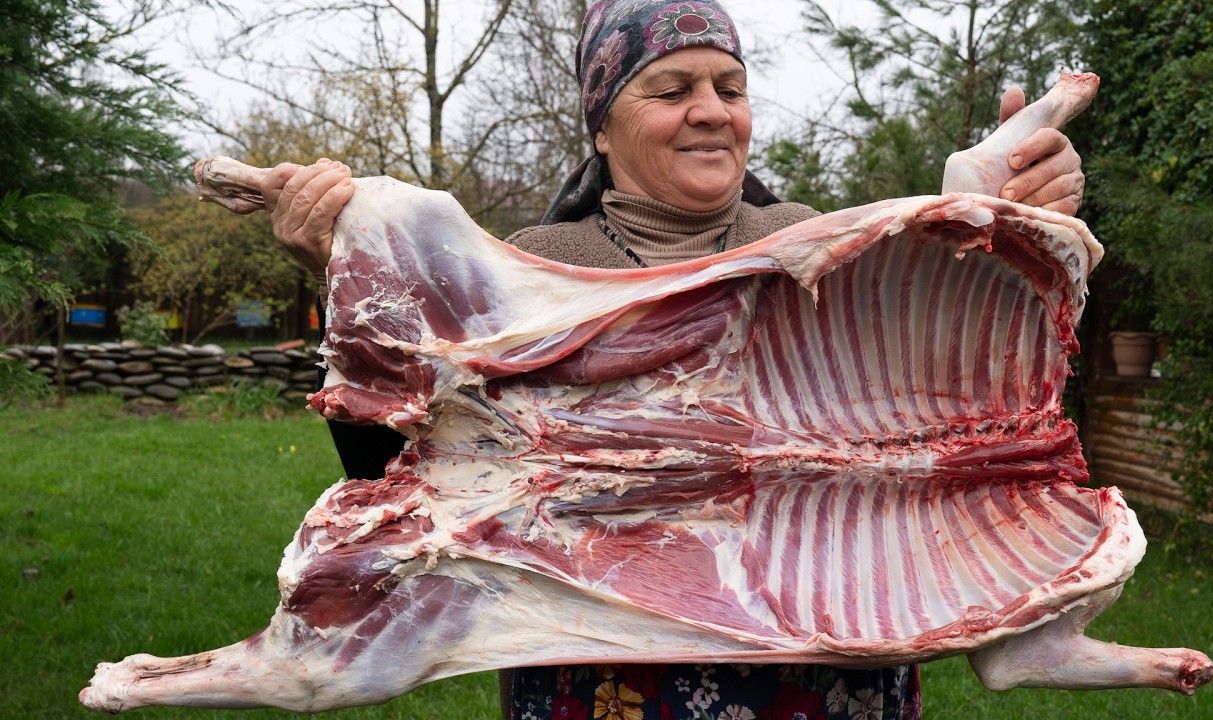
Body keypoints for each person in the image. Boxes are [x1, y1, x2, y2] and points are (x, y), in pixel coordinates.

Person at [262, 2, 1085, 718]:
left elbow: (950, 422)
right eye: (671, 89)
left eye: (730, 88)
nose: (711, 111)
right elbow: (405, 480)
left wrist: (1007, 227)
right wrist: (355, 291)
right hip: (605, 676)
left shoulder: (815, 249)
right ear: (601, 124)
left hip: (829, 664)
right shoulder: (533, 270)